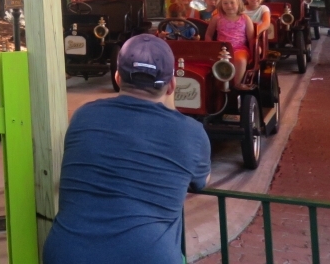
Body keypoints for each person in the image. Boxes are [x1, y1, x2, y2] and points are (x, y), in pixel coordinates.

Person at [43, 35, 211, 264]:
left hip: (67, 253)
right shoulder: (192, 133)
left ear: (117, 76)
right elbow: (201, 180)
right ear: (172, 85)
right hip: (145, 256)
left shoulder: (84, 115)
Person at [206, 0, 255, 89]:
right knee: (213, 62)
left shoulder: (245, 18)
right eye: (225, 3)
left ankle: (236, 85)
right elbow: (208, 35)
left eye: (232, 2)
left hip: (239, 48)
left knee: (240, 60)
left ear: (238, 3)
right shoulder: (217, 18)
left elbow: (251, 38)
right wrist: (210, 49)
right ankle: (215, 86)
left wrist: (254, 53)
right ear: (221, 5)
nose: (229, 6)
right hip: (221, 49)